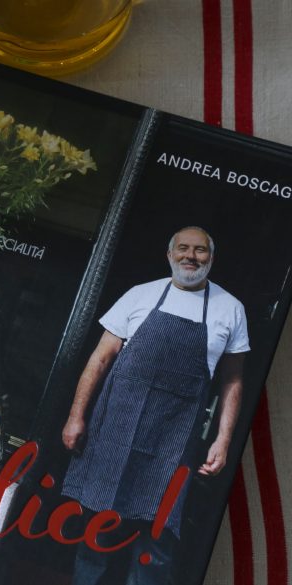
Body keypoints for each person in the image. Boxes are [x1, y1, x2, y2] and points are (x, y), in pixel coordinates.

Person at [60, 226, 249, 585]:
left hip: (173, 443)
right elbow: (100, 359)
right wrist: (75, 417)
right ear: (169, 255)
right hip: (116, 431)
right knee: (99, 528)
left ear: (211, 258)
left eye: (200, 250)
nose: (190, 256)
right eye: (183, 248)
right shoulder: (140, 295)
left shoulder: (231, 309)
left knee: (158, 539)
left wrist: (223, 440)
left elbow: (232, 381)